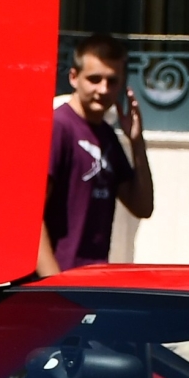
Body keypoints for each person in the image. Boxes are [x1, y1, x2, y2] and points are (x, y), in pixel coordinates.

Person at [37, 34, 154, 274]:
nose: (103, 89)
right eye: (94, 79)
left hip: (91, 281)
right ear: (73, 77)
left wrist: (136, 141)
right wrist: (54, 285)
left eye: (112, 81)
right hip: (52, 288)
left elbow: (142, 206)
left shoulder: (107, 136)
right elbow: (30, 220)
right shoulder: (59, 127)